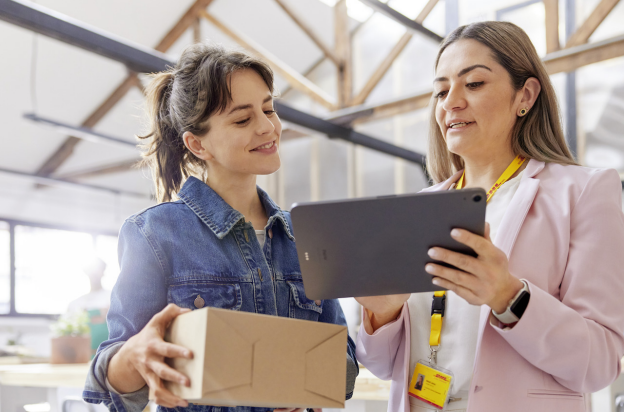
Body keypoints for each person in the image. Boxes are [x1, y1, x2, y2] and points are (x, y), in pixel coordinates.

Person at [355, 21, 624, 412]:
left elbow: (600, 364)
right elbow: (384, 365)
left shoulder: (582, 192)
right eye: (441, 91)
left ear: (525, 96)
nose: (451, 102)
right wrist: (382, 314)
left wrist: (508, 296)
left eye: (474, 84)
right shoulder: (416, 208)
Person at [82, 44, 358, 411]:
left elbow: (345, 368)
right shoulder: (155, 234)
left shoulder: (307, 235)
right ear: (197, 144)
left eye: (268, 108)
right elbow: (113, 384)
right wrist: (134, 356)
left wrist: (306, 378)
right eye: (243, 120)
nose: (267, 127)